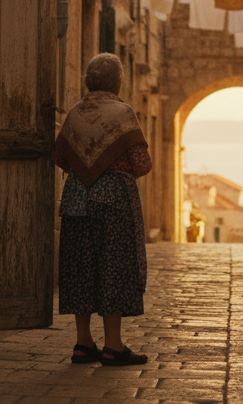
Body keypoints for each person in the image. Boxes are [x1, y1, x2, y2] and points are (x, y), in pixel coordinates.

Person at [54, 53, 152, 366]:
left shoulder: (75, 112)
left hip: (75, 200)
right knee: (114, 266)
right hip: (114, 201)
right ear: (118, 82)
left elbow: (61, 158)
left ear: (88, 80)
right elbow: (141, 163)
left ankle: (83, 344)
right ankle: (113, 345)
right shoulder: (123, 112)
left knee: (80, 267)